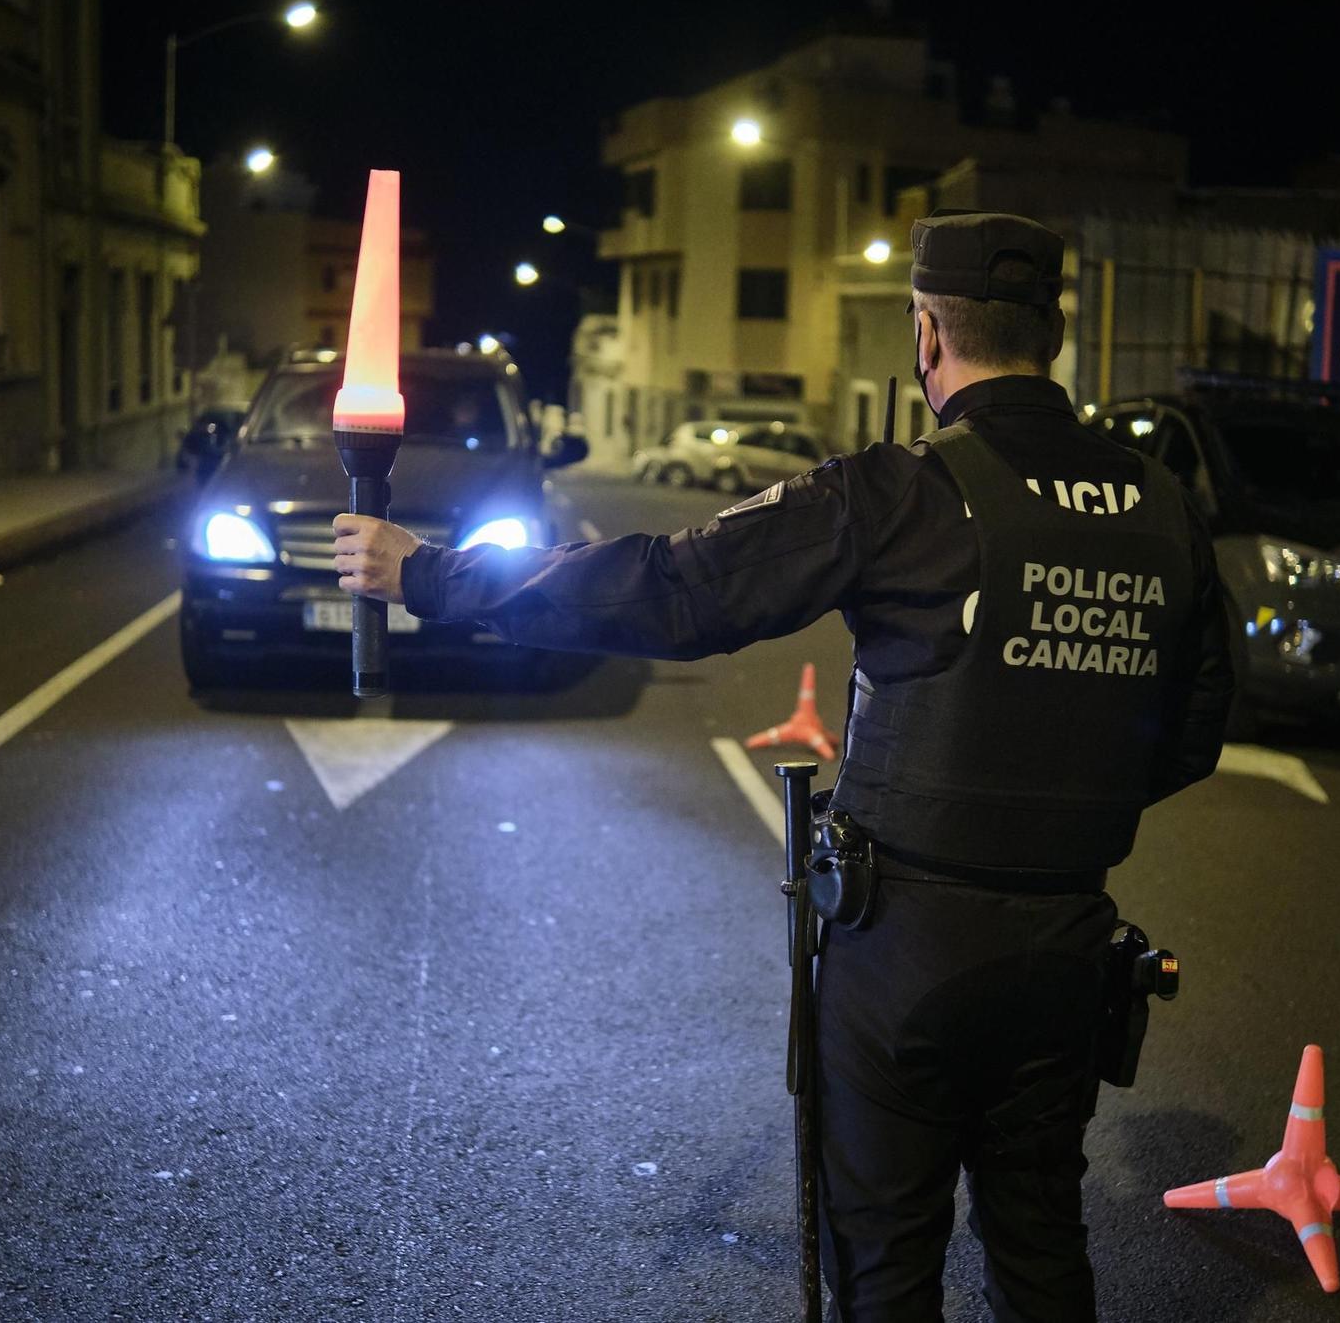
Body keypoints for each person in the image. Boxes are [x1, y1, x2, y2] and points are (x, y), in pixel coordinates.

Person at [332, 210, 1233, 1322]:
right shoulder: (1162, 508)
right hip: (1065, 948)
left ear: (923, 336)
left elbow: (670, 588)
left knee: (886, 1258)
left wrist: (429, 577)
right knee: (1042, 1241)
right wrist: (1051, 799)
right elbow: (1191, 731)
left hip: (904, 946)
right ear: (1050, 332)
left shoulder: (894, 491)